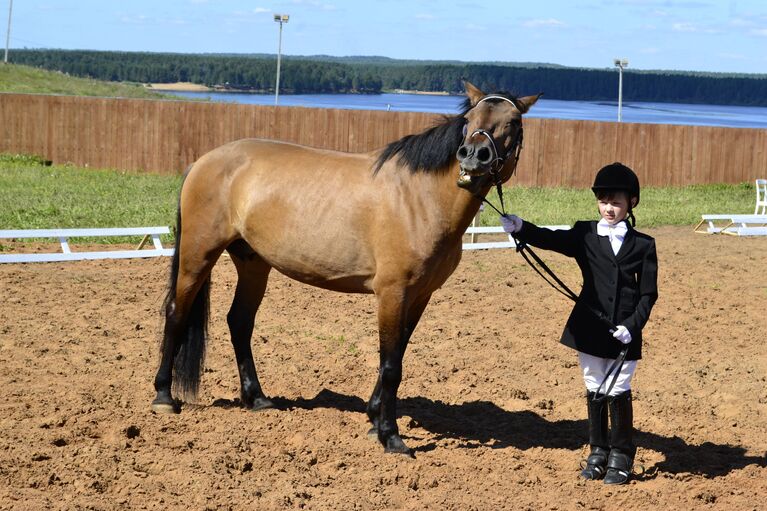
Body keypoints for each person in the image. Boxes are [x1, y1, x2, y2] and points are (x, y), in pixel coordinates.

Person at [500, 162, 658, 485]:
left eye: (616, 202)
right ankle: (598, 451)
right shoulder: (585, 233)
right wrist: (521, 227)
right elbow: (552, 239)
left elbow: (648, 295)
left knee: (618, 388)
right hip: (588, 326)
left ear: (632, 203)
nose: (609, 208)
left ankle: (622, 454)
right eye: (604, 201)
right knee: (594, 386)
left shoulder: (644, 245)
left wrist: (633, 325)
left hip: (624, 332)